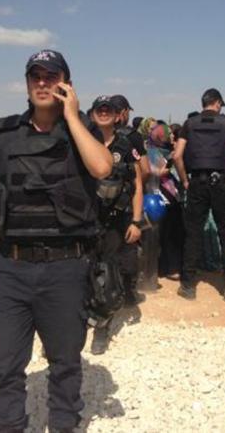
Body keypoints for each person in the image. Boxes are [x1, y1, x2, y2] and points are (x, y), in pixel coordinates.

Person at [0, 49, 112, 431]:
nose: (42, 83)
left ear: (66, 83)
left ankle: (63, 425)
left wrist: (73, 116)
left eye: (51, 76)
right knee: (4, 362)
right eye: (35, 76)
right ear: (27, 83)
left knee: (64, 361)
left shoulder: (82, 131)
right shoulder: (6, 134)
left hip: (66, 267)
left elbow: (101, 167)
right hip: (11, 266)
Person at [174, 88, 225, 301]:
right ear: (217, 103)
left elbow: (177, 156)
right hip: (221, 182)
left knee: (193, 232)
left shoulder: (189, 123)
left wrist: (185, 180)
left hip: (197, 182)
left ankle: (188, 285)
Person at [89, 95, 144, 355]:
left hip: (115, 220)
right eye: (99, 109)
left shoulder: (125, 143)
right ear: (92, 114)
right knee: (79, 272)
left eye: (108, 110)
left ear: (116, 115)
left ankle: (102, 326)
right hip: (86, 220)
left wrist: (136, 220)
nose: (103, 113)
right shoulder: (82, 143)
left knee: (108, 274)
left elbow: (137, 186)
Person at [111, 94, 149, 182]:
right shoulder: (133, 135)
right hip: (127, 191)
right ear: (124, 111)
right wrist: (134, 188)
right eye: (128, 112)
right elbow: (146, 170)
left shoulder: (99, 133)